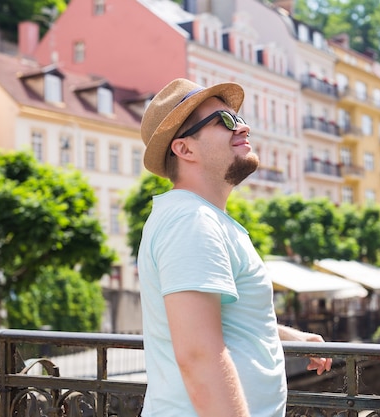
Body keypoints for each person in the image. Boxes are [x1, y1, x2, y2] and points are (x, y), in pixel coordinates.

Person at [137, 78, 331, 417]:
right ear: (185, 149)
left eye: (238, 117)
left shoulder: (201, 218)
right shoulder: (191, 220)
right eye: (225, 121)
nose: (243, 127)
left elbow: (220, 319)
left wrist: (285, 336)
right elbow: (200, 355)